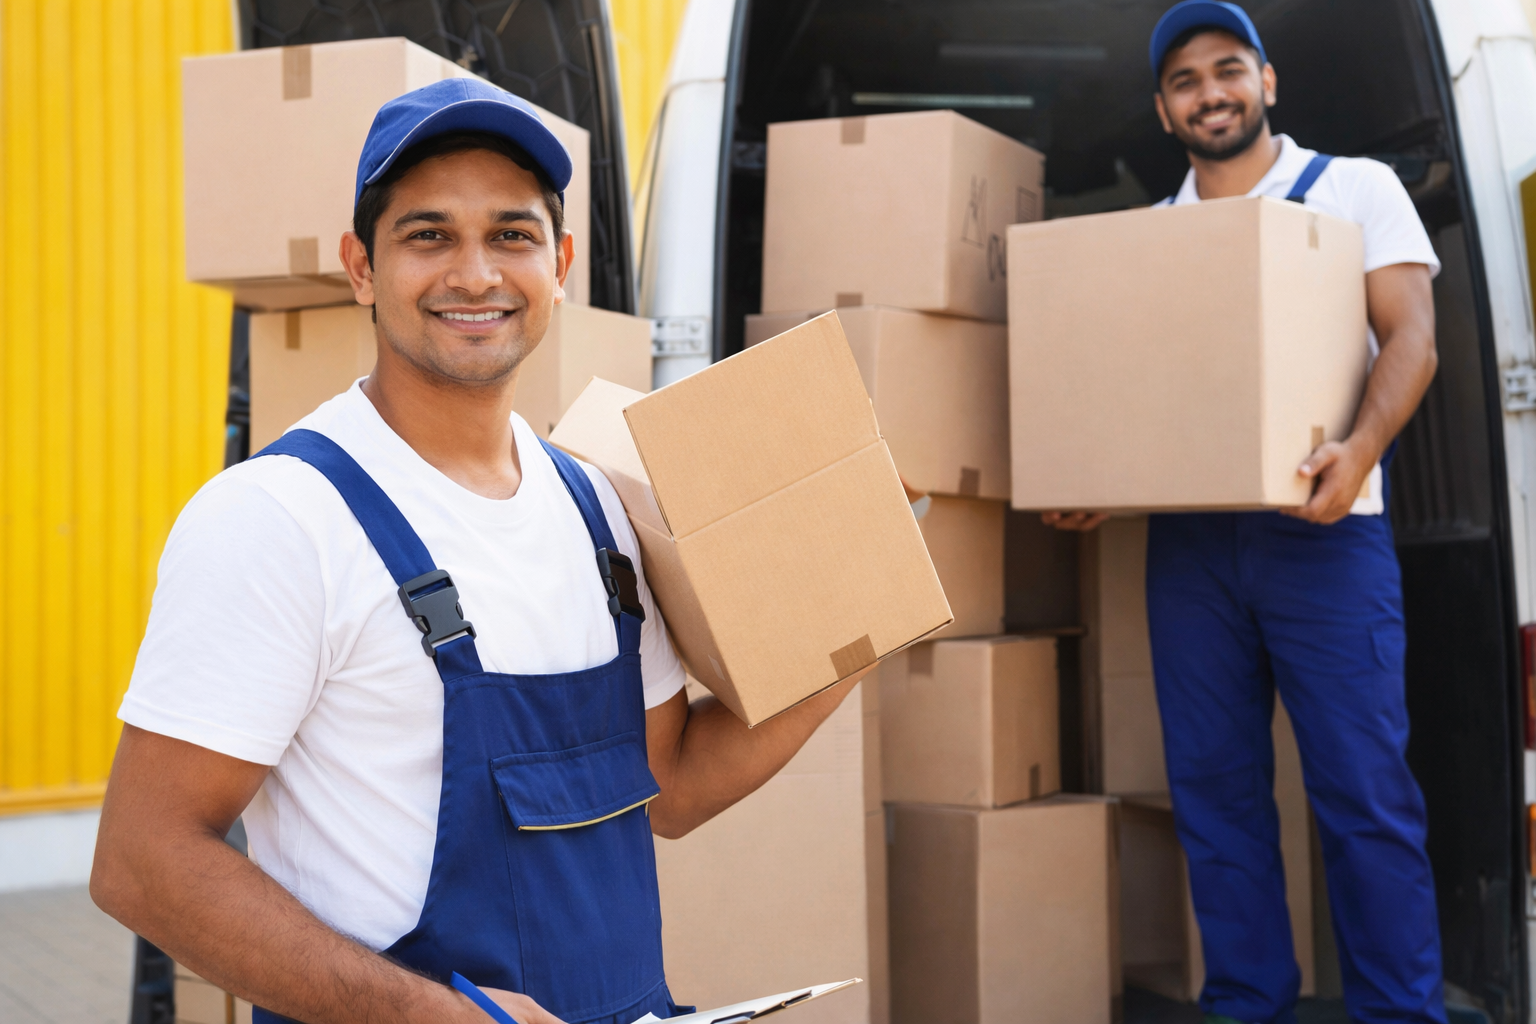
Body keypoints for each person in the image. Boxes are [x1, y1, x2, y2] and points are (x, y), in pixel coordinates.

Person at [91, 77, 869, 1024]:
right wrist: (439, 1017)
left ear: (560, 265)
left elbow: (668, 787)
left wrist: (860, 627)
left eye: (511, 234)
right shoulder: (279, 519)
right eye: (428, 235)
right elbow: (145, 862)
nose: (474, 274)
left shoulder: (598, 510)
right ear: (361, 267)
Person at [1046, 3, 1444, 1022]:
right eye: (1184, 81)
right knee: (1215, 793)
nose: (1209, 93)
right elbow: (1142, 400)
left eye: (1228, 69)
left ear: (1267, 81)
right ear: (1162, 110)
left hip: (1327, 530)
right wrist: (1095, 483)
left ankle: (1401, 1013)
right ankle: (1246, 1004)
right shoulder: (1155, 236)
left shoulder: (1354, 187)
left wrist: (1360, 452)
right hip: (1191, 545)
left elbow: (1412, 337)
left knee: (1363, 792)